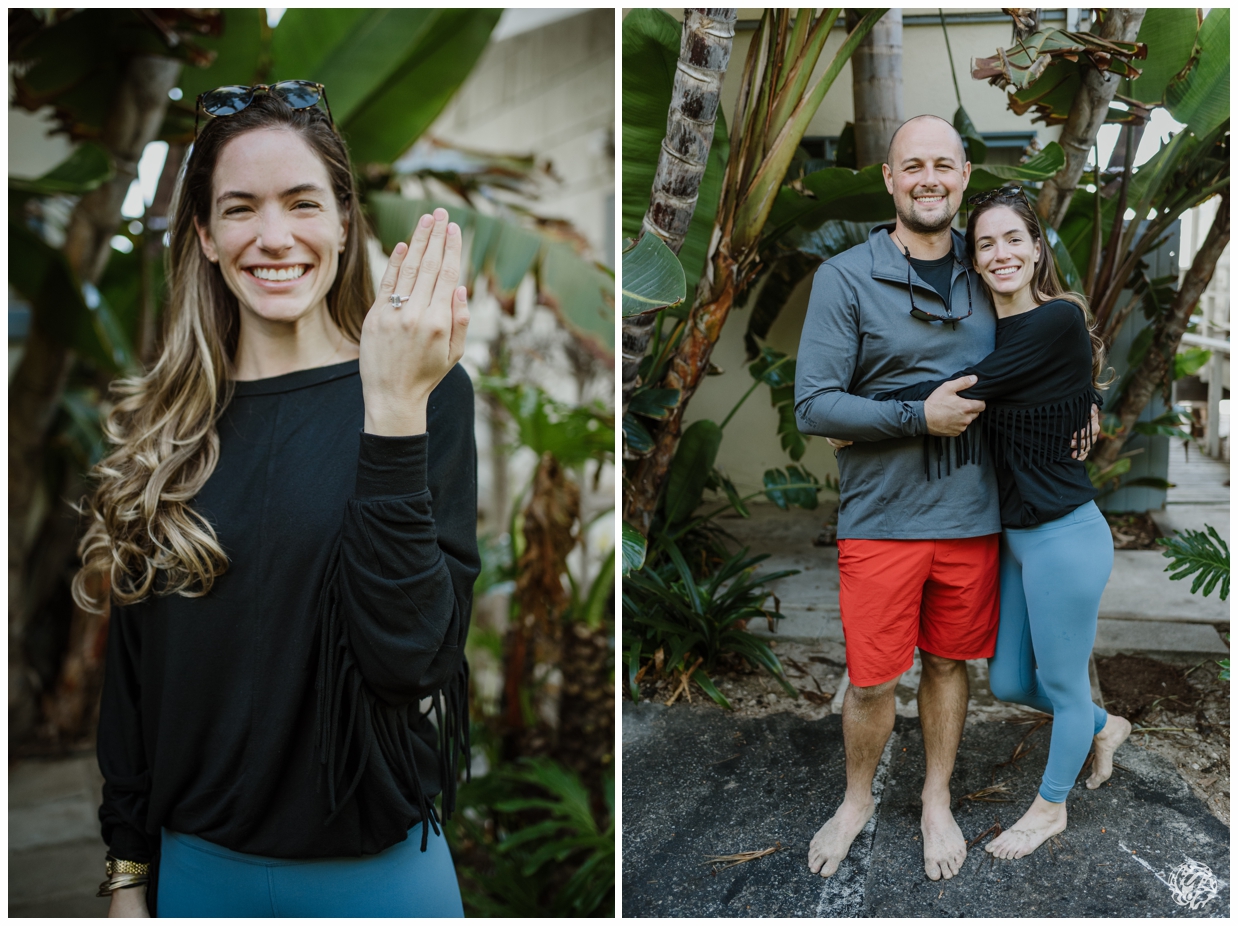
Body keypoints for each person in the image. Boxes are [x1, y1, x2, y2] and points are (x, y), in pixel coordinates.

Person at [75, 83, 476, 917]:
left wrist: (393, 410)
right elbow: (138, 681)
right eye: (239, 209)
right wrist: (126, 874)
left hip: (378, 878)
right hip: (197, 879)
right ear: (207, 237)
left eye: (302, 203)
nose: (273, 236)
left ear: (341, 222)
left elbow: (413, 660)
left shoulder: (424, 393)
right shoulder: (166, 425)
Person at [793, 114, 1097, 882]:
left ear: (962, 177)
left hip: (975, 521)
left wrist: (1086, 401)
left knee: (949, 666)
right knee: (869, 678)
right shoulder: (846, 277)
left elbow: (1049, 342)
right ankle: (857, 799)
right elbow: (814, 406)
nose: (928, 178)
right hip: (881, 519)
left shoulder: (984, 266)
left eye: (943, 164)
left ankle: (935, 799)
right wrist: (909, 415)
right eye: (912, 166)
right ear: (890, 180)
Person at [873, 185, 1131, 860]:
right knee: (1012, 681)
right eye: (985, 242)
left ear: (1038, 247)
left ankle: (1049, 809)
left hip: (1065, 538)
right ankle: (1105, 727)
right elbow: (1044, 382)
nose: (1001, 252)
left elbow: (964, 388)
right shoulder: (994, 325)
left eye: (1014, 238)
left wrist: (854, 411)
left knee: (1066, 687)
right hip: (1016, 540)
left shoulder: (1051, 322)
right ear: (975, 259)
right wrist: (1089, 395)